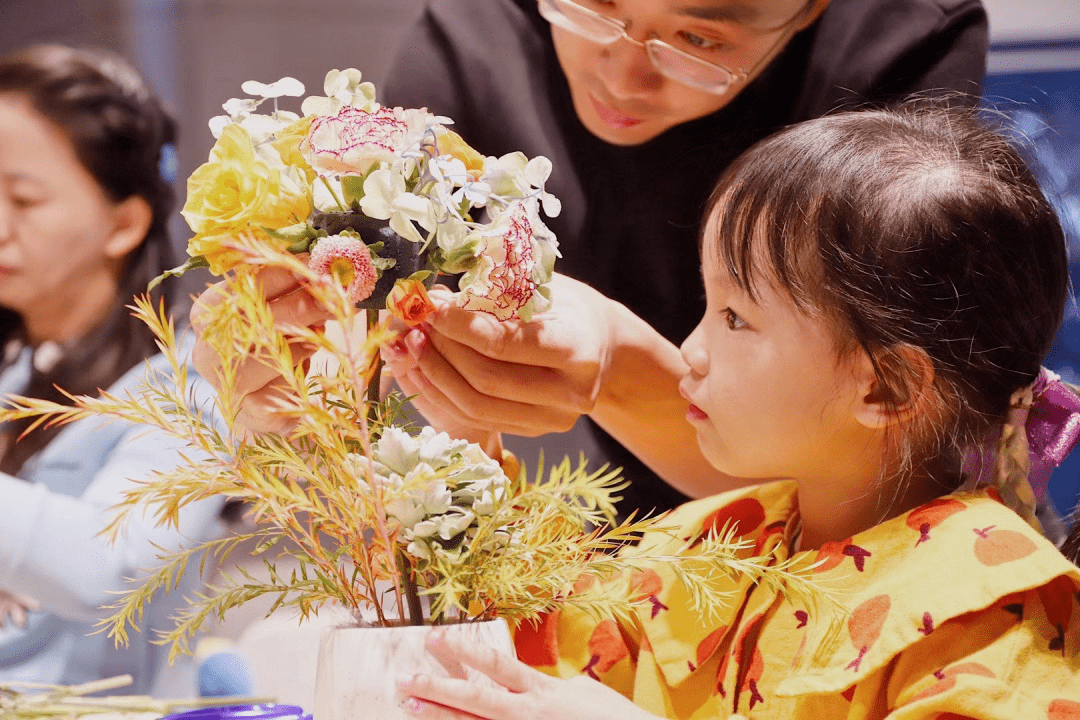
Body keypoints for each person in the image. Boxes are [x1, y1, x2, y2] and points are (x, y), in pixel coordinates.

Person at [391, 104, 1080, 719]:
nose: (689, 351)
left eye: (736, 319)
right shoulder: (719, 541)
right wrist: (465, 447)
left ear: (887, 389)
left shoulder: (994, 606)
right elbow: (536, 658)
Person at [217, 0, 991, 517]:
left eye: (699, 41)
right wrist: (295, 376)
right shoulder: (474, 37)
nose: (623, 76)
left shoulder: (900, 44)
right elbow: (365, 347)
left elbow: (866, 475)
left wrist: (620, 365)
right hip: (638, 545)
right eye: (593, 7)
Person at [0, 45, 224, 693]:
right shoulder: (15, 365)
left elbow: (114, 568)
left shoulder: (189, 387)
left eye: (24, 199)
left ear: (123, 223)